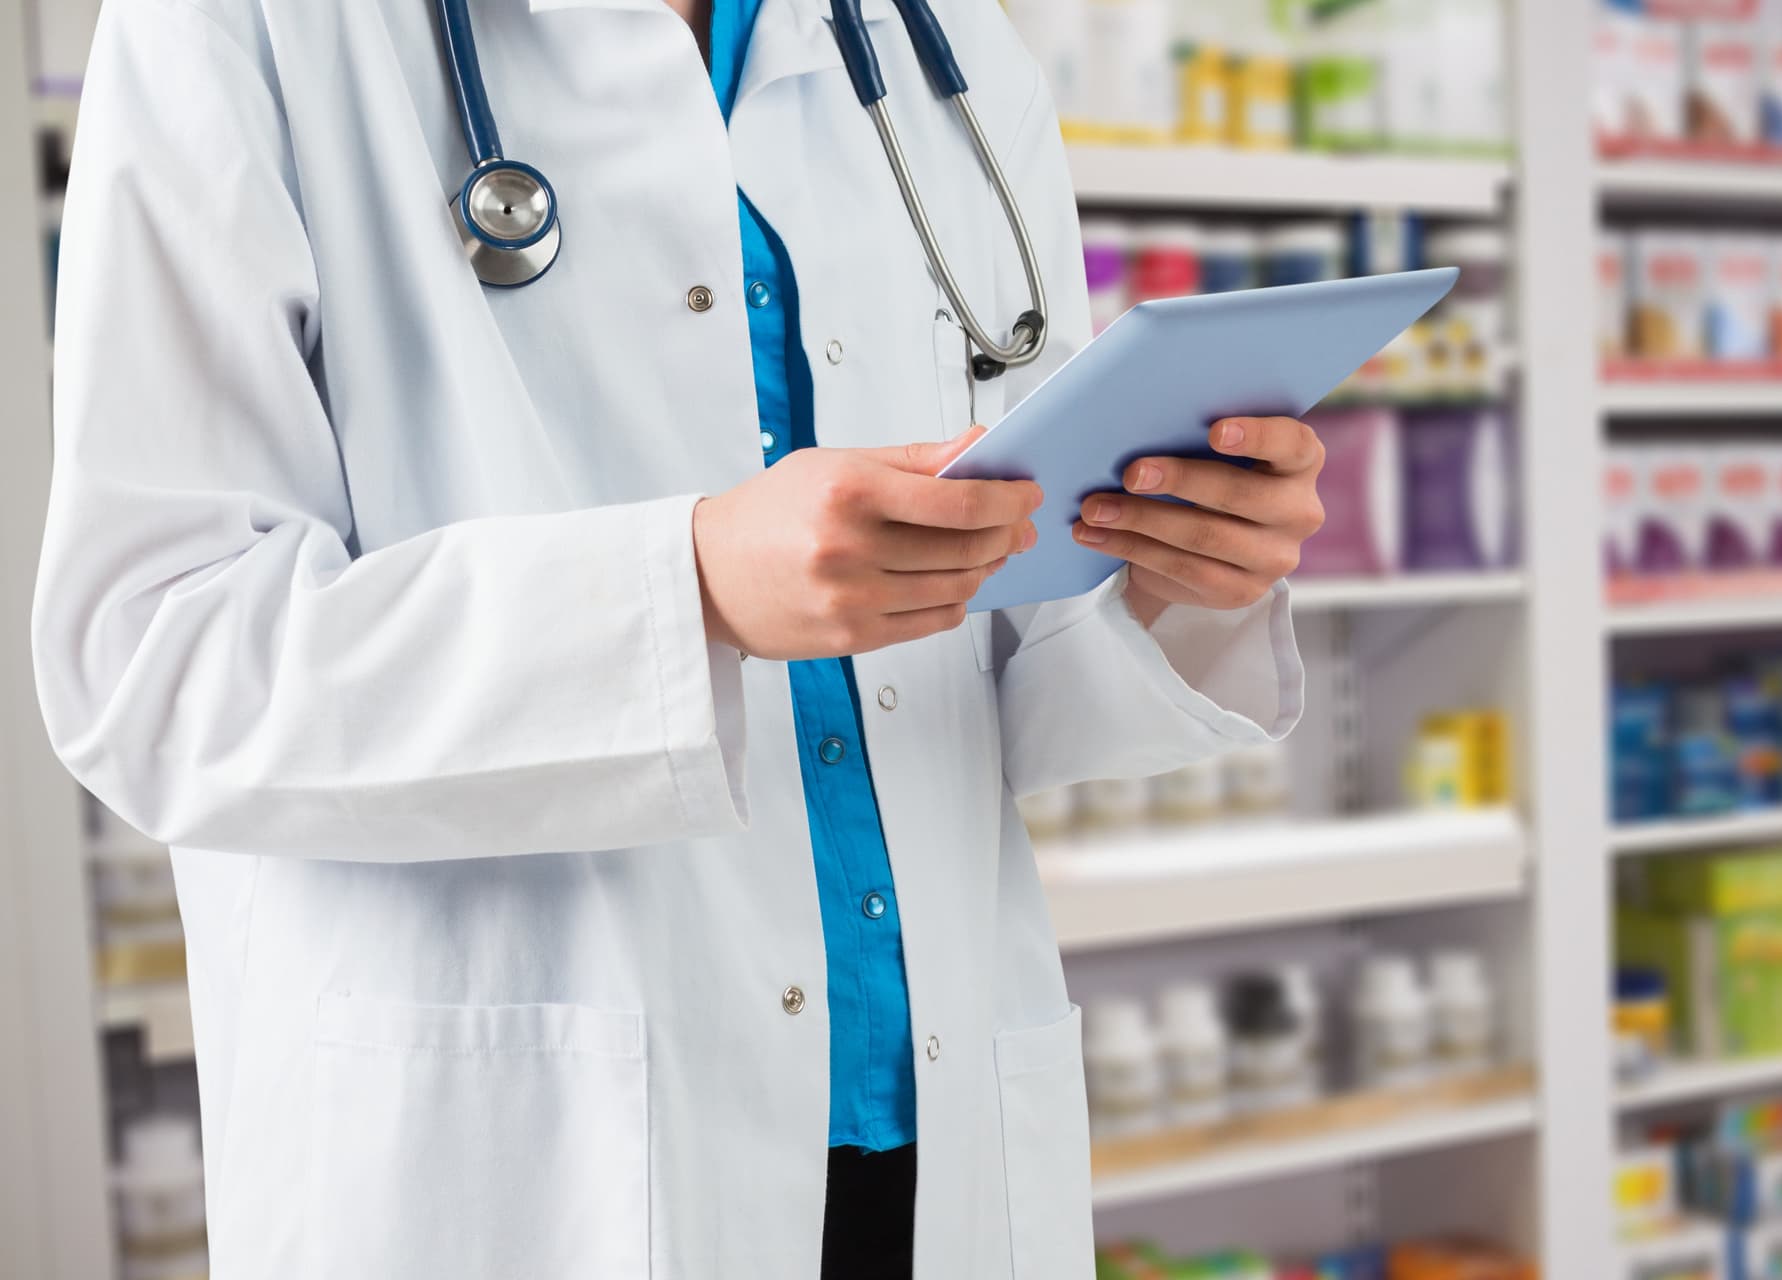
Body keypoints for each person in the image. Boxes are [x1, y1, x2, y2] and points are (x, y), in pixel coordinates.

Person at [31, 0, 1324, 1276]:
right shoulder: (242, 27)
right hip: (530, 1171)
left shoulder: (949, 50)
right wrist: (685, 592)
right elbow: (155, 663)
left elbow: (999, 674)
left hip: (934, 1140)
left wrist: (1174, 575)